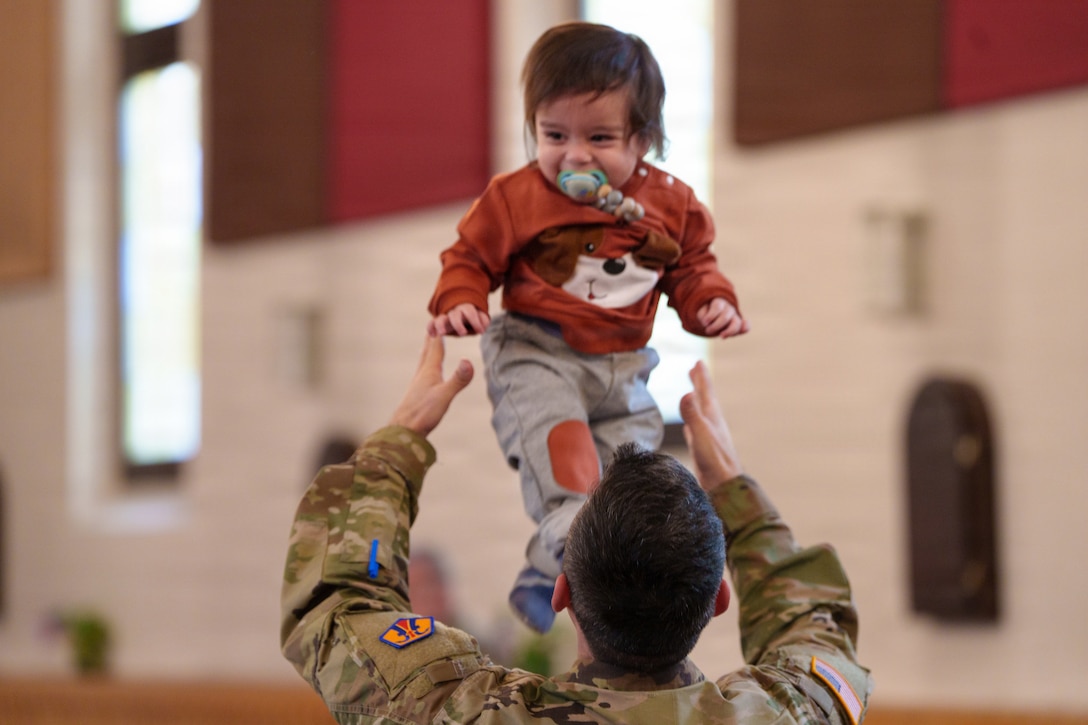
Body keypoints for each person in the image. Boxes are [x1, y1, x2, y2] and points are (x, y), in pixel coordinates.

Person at [281, 335, 873, 724]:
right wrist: (738, 498)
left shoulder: (464, 715)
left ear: (562, 590)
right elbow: (815, 630)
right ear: (717, 598)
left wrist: (394, 449)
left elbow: (335, 605)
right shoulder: (788, 714)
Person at [427, 22, 749, 633]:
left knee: (624, 483)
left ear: (644, 139)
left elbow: (692, 268)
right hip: (537, 352)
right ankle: (563, 548)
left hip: (624, 367)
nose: (574, 155)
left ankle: (543, 568)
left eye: (599, 137)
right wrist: (462, 298)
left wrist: (711, 303)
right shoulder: (517, 198)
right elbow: (468, 256)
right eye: (554, 135)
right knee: (569, 464)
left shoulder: (671, 206)